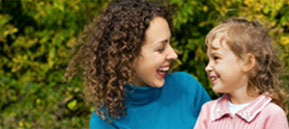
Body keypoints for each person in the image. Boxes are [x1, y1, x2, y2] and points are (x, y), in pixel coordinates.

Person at [66, 0, 211, 129]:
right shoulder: (106, 121)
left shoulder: (187, 88)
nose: (173, 54)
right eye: (160, 49)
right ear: (127, 55)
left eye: (170, 44)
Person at [194, 17, 289, 129]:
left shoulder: (271, 115)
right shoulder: (208, 111)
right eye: (208, 60)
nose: (208, 67)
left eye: (216, 58)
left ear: (247, 62)